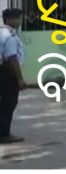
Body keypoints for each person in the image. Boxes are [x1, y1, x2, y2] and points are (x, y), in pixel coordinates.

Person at [0, 8, 26, 144]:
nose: (20, 21)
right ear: (10, 20)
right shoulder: (9, 37)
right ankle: (3, 134)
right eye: (18, 18)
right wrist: (20, 79)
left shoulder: (1, 33)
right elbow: (11, 58)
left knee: (4, 102)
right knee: (8, 103)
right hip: (7, 72)